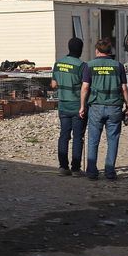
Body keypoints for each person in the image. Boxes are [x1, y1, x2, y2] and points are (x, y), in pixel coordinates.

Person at [78, 39, 128, 181]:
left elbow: (85, 87)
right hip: (115, 107)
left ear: (97, 51)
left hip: (96, 107)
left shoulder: (89, 66)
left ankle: (92, 172)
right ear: (110, 51)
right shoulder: (118, 66)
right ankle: (110, 171)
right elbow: (124, 88)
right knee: (113, 139)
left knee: (93, 139)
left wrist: (82, 106)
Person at [51, 37, 86, 176]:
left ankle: (63, 167)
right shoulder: (81, 66)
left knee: (64, 136)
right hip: (77, 106)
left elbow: (53, 85)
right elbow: (85, 87)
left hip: (63, 106)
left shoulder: (58, 64)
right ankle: (76, 169)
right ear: (81, 50)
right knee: (78, 137)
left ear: (68, 47)